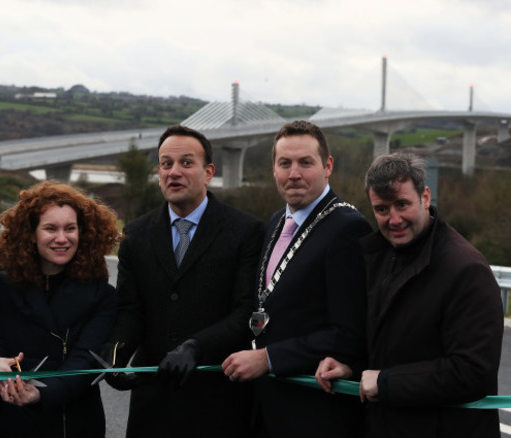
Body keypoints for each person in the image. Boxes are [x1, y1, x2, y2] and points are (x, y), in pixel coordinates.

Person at [315, 152, 503, 438]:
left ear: (425, 197)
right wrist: (350, 367)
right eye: (381, 209)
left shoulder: (466, 269)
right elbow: (391, 347)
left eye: (402, 204)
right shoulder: (379, 257)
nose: (394, 219)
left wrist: (386, 382)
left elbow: (472, 372)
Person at [104, 124, 264, 437]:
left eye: (186, 163)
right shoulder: (136, 235)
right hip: (152, 401)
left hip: (218, 399)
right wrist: (116, 356)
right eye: (166, 164)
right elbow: (130, 310)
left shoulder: (245, 231)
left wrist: (195, 347)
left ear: (208, 172)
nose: (174, 172)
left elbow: (245, 311)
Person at [221, 120, 372, 437]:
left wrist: (268, 358)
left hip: (314, 413)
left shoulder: (347, 228)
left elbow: (350, 332)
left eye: (306, 163)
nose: (294, 174)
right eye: (284, 163)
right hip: (267, 406)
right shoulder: (278, 220)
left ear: (327, 166)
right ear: (273, 168)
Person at [0, 181, 119, 437]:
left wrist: (40, 392)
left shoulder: (103, 296)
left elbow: (85, 361)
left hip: (73, 421)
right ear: (31, 234)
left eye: (70, 229)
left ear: (83, 233)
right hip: (12, 418)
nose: (62, 238)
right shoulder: (3, 286)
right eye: (50, 228)